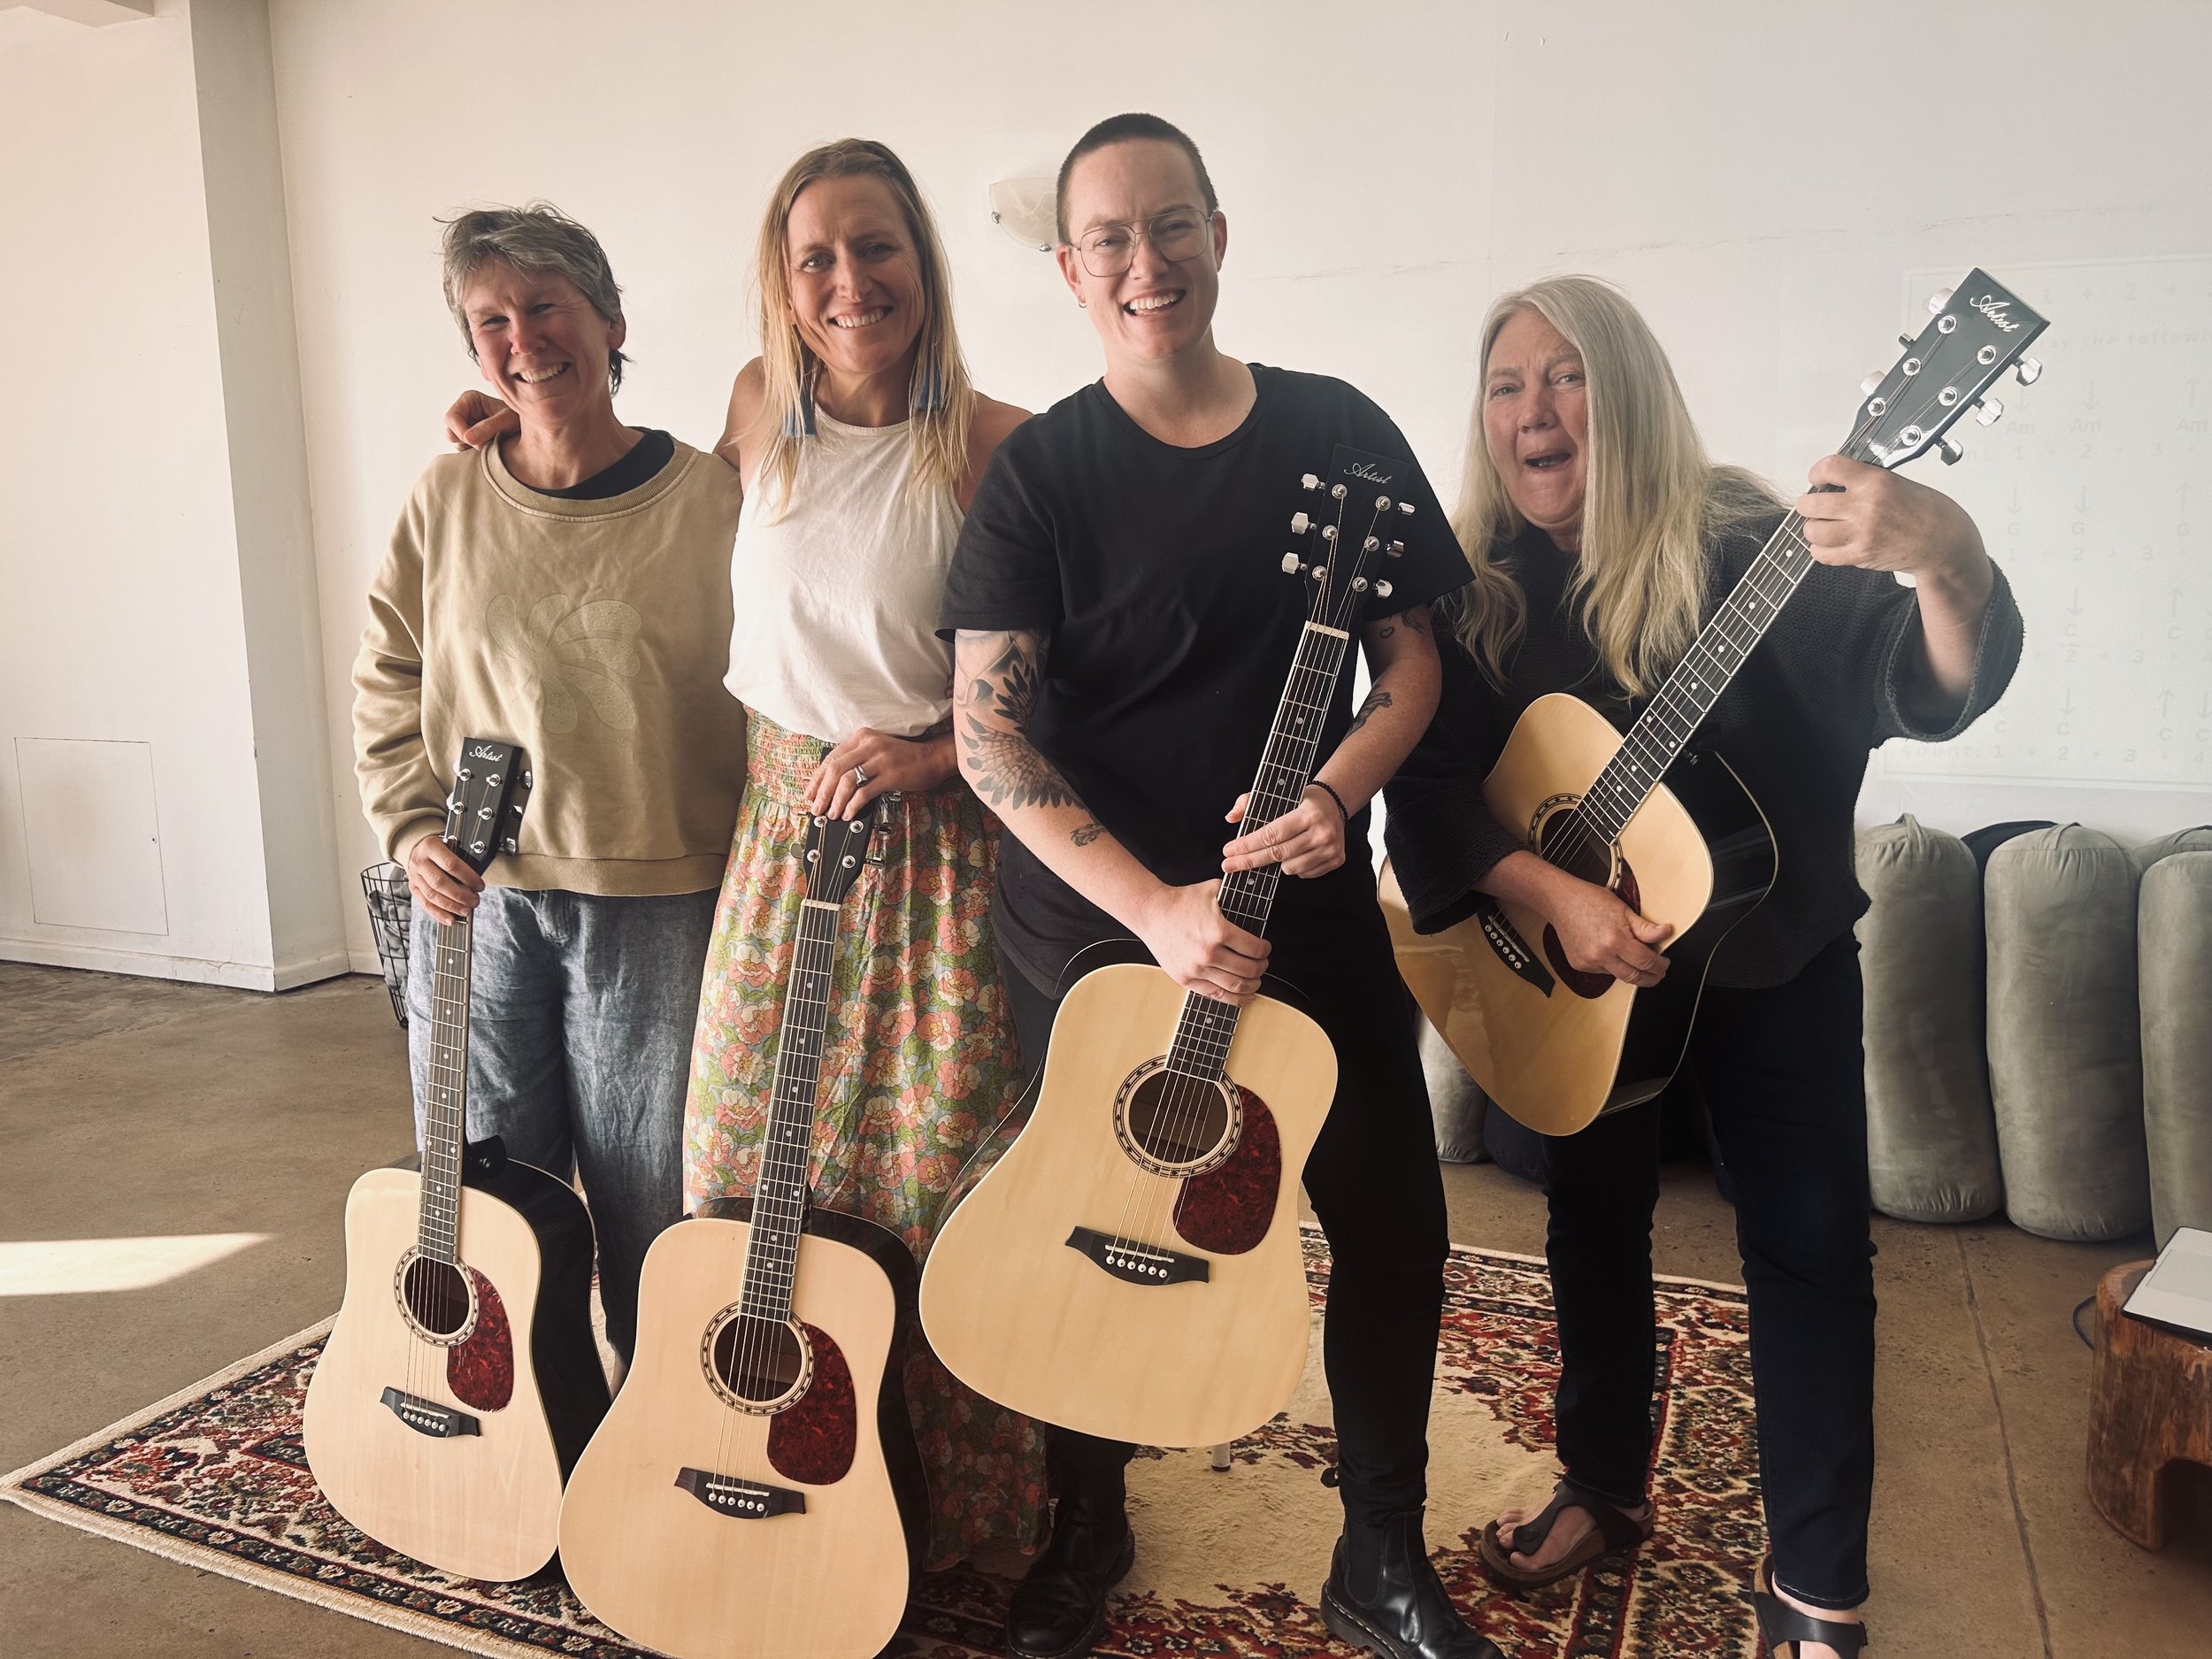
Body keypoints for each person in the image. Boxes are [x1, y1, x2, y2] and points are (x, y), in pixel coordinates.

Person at [1384, 275, 2024, 1659]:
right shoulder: (1478, 588)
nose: (1534, 411)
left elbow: (1932, 680)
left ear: (1632, 393)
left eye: (1568, 378)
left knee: (1804, 1253)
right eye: (1506, 385)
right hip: (1579, 976)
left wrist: (1946, 555)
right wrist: (1554, 890)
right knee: (1587, 1220)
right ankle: (1604, 1485)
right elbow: (1430, 798)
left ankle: (1818, 1587)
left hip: (1771, 959)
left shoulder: (1754, 544)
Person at [941, 113, 1503, 1659]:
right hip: (1100, 937)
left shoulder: (1336, 428)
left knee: (1390, 1224)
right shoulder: (1039, 475)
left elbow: (1414, 664)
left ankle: (1380, 1553)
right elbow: (986, 740)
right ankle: (1086, 1524)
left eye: (1171, 225)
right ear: (1068, 267)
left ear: (1219, 234)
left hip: (1307, 918)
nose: (1146, 263)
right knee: (1090, 1225)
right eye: (1111, 238)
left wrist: (1337, 794)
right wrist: (1155, 911)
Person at [443, 140, 1047, 1566]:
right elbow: (659, 521)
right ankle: (741, 1457)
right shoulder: (757, 406)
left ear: (925, 264)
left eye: (877, 247)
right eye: (816, 256)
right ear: (781, 281)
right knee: (730, 1172)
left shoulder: (997, 443)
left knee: (927, 1188)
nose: (850, 282)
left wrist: (936, 751)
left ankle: (945, 1519)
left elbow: (1063, 684)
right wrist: (520, 428)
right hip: (779, 839)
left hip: (937, 850)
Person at [354, 203, 747, 1370]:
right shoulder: (446, 498)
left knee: (650, 1200)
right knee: (486, 1195)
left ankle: (653, 1421)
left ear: (610, 321)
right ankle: (524, 1425)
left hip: (662, 901)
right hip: (474, 905)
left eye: (547, 308)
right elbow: (388, 672)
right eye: (491, 320)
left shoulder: (711, 500)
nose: (522, 340)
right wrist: (410, 824)